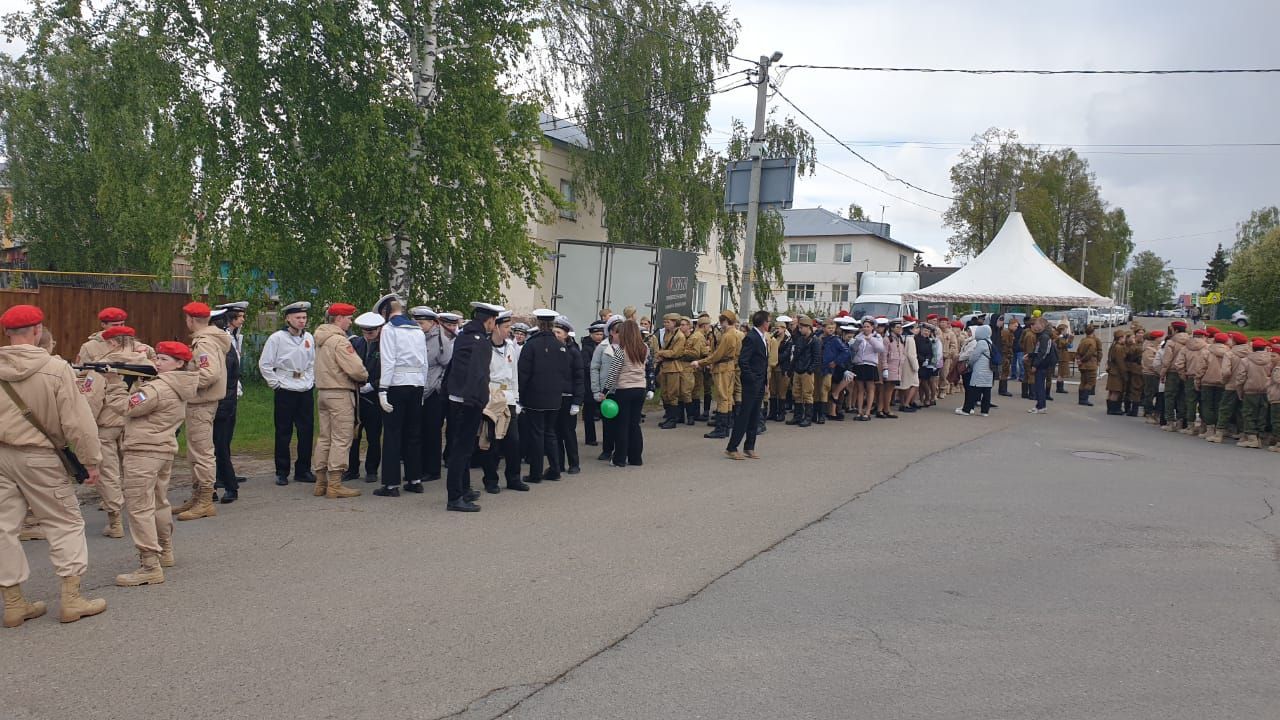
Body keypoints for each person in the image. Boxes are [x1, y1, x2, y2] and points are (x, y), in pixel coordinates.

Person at [0, 304, 107, 627]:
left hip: (2, 456)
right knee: (65, 522)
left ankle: (14, 602)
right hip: (41, 457)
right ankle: (72, 599)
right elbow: (78, 422)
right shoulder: (56, 368)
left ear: (7, 333)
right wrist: (91, 461)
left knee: (3, 528)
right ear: (37, 331)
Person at [110, 340, 198, 587]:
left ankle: (149, 564)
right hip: (162, 449)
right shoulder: (178, 385)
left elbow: (124, 407)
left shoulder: (157, 389)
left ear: (179, 363)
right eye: (157, 358)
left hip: (143, 451)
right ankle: (165, 550)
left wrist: (116, 383)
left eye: (164, 360)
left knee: (139, 508)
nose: (157, 363)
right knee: (159, 502)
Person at [76, 325, 141, 537]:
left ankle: (115, 522)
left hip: (108, 426)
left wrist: (85, 428)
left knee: (109, 473)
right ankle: (142, 516)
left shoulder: (102, 367)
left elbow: (90, 401)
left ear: (111, 343)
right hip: (137, 424)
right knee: (136, 472)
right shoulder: (148, 362)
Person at [443, 302, 503, 511]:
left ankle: (464, 488)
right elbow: (477, 374)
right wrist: (475, 401)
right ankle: (455, 497)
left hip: (457, 398)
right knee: (462, 449)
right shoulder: (480, 342)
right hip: (468, 402)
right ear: (490, 321)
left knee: (464, 448)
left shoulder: (464, 336)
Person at [174, 302, 231, 521]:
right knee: (195, 452)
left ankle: (206, 499)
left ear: (190, 319)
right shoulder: (207, 340)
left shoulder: (204, 343)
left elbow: (209, 374)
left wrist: (183, 381)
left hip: (201, 402)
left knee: (202, 452)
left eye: (187, 319)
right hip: (198, 402)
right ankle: (198, 495)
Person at [372, 294, 429, 497]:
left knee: (393, 434)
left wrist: (383, 389)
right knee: (413, 433)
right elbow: (424, 361)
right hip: (416, 384)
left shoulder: (389, 329)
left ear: (386, 312)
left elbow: (389, 361)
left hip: (396, 383)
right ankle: (415, 479)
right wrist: (422, 387)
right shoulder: (417, 329)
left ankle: (391, 484)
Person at [311, 303, 368, 499]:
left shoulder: (321, 339)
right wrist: (364, 376)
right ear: (339, 319)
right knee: (341, 438)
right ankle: (335, 483)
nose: (350, 322)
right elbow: (356, 369)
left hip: (324, 392)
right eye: (349, 318)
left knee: (325, 437)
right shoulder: (340, 342)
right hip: (340, 393)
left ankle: (321, 482)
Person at [258, 301, 316, 487]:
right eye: (298, 318)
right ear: (288, 319)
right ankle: (282, 471)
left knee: (306, 431)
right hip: (285, 387)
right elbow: (265, 364)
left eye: (304, 318)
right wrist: (275, 384)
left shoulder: (309, 338)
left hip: (305, 388)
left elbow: (313, 361)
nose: (301, 321)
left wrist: (311, 380)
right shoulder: (277, 338)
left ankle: (303, 469)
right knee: (284, 431)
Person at [519, 309, 570, 483]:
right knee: (550, 432)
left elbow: (523, 373)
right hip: (555, 396)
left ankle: (535, 473)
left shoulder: (531, 345)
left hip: (535, 396)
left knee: (537, 433)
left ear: (539, 324)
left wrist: (521, 395)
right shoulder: (561, 346)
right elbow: (565, 371)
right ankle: (555, 469)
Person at [480, 311, 528, 493]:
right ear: (496, 327)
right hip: (492, 397)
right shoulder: (485, 347)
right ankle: (490, 479)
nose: (510, 331)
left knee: (513, 441)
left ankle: (514, 477)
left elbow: (514, 375)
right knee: (492, 440)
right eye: (506, 327)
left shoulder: (510, 347)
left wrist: (516, 399)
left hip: (508, 397)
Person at [212, 302, 248, 502]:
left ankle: (227, 482)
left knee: (220, 442)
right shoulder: (225, 338)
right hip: (227, 395)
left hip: (224, 396)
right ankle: (220, 480)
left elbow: (227, 371)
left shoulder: (223, 340)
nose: (243, 320)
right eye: (240, 316)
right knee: (218, 443)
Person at [725, 310, 769, 460]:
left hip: (759, 383)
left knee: (755, 416)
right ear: (764, 322)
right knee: (745, 415)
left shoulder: (762, 337)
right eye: (768, 321)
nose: (769, 323)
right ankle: (732, 447)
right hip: (751, 384)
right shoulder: (751, 337)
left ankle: (749, 446)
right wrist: (752, 379)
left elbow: (763, 362)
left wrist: (764, 382)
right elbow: (743, 361)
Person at [346, 312, 385, 482]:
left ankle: (371, 470)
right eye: (366, 331)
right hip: (356, 395)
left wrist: (373, 385)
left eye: (372, 331)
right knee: (353, 436)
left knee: (374, 436)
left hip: (375, 396)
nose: (369, 335)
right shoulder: (356, 343)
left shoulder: (385, 345)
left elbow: (389, 371)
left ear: (379, 329)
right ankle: (352, 469)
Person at [609, 320, 652, 467]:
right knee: (635, 424)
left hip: (624, 389)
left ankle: (620, 458)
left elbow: (614, 373)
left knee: (622, 424)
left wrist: (604, 390)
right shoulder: (644, 348)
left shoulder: (621, 351)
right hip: (640, 388)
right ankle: (636, 458)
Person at [418, 307, 454, 483]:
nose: (418, 326)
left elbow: (447, 365)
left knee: (432, 431)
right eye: (416, 322)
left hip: (434, 391)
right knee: (421, 430)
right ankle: (420, 466)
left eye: (421, 323)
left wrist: (439, 385)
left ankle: (432, 469)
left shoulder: (441, 340)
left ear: (432, 323)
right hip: (420, 389)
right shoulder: (418, 337)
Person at [553, 316, 584, 475]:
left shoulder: (574, 352)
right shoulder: (551, 349)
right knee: (556, 433)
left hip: (568, 397)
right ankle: (558, 464)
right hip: (554, 397)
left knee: (568, 433)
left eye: (559, 332)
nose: (556, 334)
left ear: (566, 334)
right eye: (554, 331)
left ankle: (574, 463)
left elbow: (579, 377)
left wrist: (577, 402)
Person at [590, 317, 623, 461]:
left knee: (621, 422)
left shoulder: (627, 346)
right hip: (606, 391)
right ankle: (607, 449)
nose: (619, 334)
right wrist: (596, 390)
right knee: (608, 422)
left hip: (622, 388)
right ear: (610, 332)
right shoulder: (602, 347)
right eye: (616, 331)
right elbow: (594, 368)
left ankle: (620, 449)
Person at [1234, 338, 1272, 449]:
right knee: (1262, 414)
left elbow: (1240, 378)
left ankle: (1251, 438)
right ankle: (1260, 437)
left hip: (1250, 390)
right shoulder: (1270, 359)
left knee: (1248, 414)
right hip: (1266, 390)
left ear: (1253, 348)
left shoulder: (1246, 361)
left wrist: (1239, 391)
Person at [655, 313, 689, 429]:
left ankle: (673, 419)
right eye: (664, 322)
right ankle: (669, 416)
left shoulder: (680, 336)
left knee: (672, 394)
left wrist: (660, 353)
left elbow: (675, 353)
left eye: (667, 322)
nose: (665, 324)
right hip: (665, 366)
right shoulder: (668, 334)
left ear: (675, 322)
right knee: (664, 393)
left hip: (674, 367)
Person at [1198, 332, 1231, 438]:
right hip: (1222, 382)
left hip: (1207, 381)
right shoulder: (1229, 352)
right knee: (1219, 405)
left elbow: (1201, 368)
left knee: (1207, 405)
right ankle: (1218, 428)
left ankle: (1210, 428)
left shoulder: (1207, 352)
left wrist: (1197, 380)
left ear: (1214, 340)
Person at [956, 324, 994, 416]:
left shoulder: (981, 342)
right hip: (988, 370)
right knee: (986, 391)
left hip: (980, 370)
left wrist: (969, 363)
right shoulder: (989, 341)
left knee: (972, 390)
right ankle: (985, 411)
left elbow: (974, 356)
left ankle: (967, 409)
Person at [1161, 321, 1190, 430]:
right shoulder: (1189, 341)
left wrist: (1163, 373)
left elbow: (1167, 360)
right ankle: (1180, 421)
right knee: (1182, 397)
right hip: (1186, 372)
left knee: (1169, 396)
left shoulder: (1171, 342)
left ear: (1176, 330)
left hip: (1173, 371)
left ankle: (1170, 421)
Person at [580, 321, 606, 444]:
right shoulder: (586, 348)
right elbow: (585, 365)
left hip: (604, 383)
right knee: (589, 413)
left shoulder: (606, 346)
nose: (599, 336)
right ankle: (590, 438)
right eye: (596, 334)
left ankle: (607, 437)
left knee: (605, 411)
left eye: (601, 334)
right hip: (590, 384)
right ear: (591, 335)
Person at [1028, 317, 1055, 414]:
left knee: (1039, 386)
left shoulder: (1044, 337)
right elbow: (1039, 351)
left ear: (1042, 325)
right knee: (1039, 385)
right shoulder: (1043, 336)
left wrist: (1035, 364)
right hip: (1042, 364)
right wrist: (1031, 355)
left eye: (1036, 324)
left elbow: (1043, 352)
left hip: (1042, 365)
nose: (1034, 326)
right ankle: (1040, 405)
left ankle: (1041, 406)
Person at [1075, 325, 1101, 406]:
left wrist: (1079, 360)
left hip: (1083, 365)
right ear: (1093, 332)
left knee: (1083, 381)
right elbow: (1090, 353)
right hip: (1090, 364)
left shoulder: (1083, 340)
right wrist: (1098, 360)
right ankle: (1084, 399)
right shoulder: (1093, 341)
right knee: (1090, 382)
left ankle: (1081, 399)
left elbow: (1078, 351)